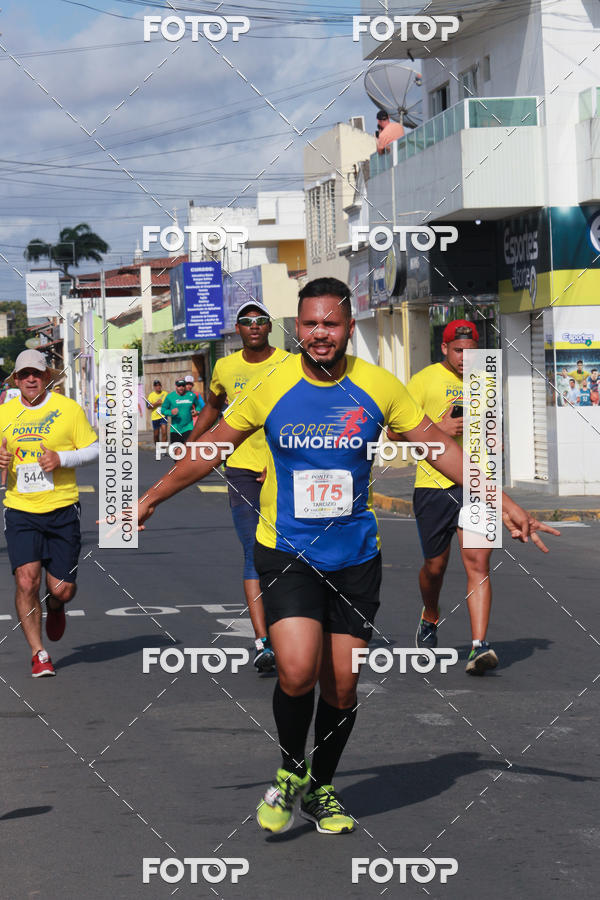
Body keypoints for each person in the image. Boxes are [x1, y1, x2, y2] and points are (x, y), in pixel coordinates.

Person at [136, 278, 558, 836]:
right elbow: (210, 447)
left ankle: (323, 789)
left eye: (330, 324)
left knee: (342, 685)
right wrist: (148, 498)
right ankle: (290, 771)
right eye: (309, 324)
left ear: (348, 328)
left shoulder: (380, 387)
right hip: (285, 550)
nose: (319, 335)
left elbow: (438, 447)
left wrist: (502, 501)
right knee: (295, 669)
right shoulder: (270, 384)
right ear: (299, 327)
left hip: (355, 556)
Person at [188, 300, 288, 673]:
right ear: (238, 329)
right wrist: (193, 443)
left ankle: (296, 627)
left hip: (284, 467)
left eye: (261, 320)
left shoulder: (290, 365)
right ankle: (263, 642)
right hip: (243, 470)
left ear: (270, 326)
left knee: (292, 551)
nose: (254, 326)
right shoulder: (226, 367)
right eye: (246, 322)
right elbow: (213, 407)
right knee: (253, 553)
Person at [396, 320, 500, 674]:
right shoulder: (423, 380)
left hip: (477, 483)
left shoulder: (485, 378)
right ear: (444, 348)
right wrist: (437, 429)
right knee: (435, 568)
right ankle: (430, 614)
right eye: (458, 351)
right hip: (433, 486)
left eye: (471, 351)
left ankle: (479, 647)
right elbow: (394, 432)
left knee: (478, 563)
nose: (464, 357)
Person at [0, 350, 98, 677]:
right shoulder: (4, 413)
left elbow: (95, 448)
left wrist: (62, 459)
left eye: (37, 374)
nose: (30, 379)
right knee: (26, 581)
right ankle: (38, 653)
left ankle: (55, 605)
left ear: (46, 378)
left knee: (62, 590)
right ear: (16, 379)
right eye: (24, 374)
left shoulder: (68, 410)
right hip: (20, 508)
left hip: (62, 507)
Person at [160, 379, 201, 444]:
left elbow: (198, 406)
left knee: (188, 450)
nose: (181, 388)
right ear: (176, 386)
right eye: (179, 386)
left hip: (188, 427)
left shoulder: (191, 396)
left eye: (183, 386)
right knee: (176, 452)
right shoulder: (170, 397)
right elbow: (163, 410)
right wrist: (170, 412)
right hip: (175, 429)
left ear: (185, 386)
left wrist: (197, 411)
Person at [147, 379, 168, 445]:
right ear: (154, 387)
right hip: (155, 417)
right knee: (156, 435)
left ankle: (163, 450)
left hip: (163, 416)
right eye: (156, 386)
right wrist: (156, 403)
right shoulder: (151, 395)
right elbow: (148, 406)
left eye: (159, 385)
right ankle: (158, 449)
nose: (158, 387)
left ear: (161, 386)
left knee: (164, 432)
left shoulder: (165, 393)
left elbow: (170, 403)